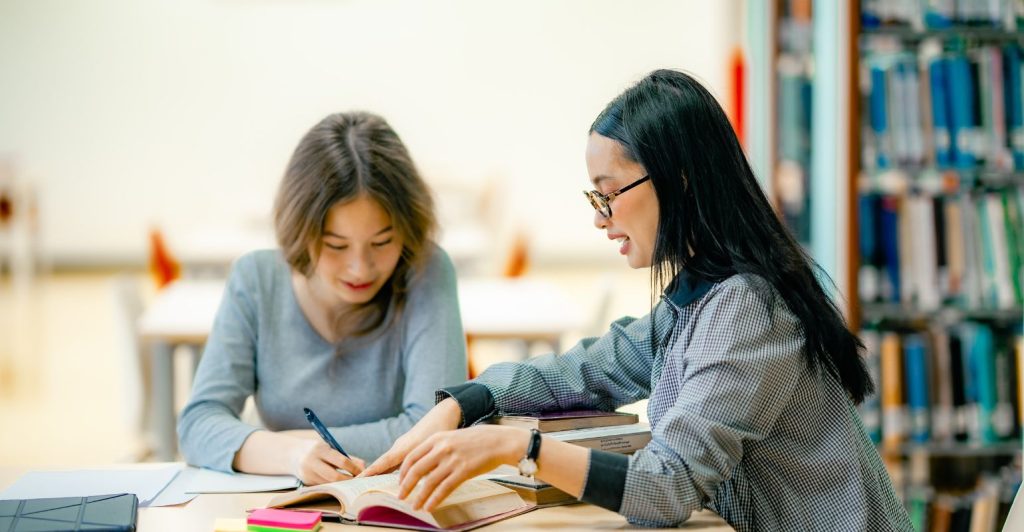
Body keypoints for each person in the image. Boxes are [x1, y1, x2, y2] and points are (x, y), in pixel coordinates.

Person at [361, 70, 913, 531]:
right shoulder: (698, 297)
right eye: (593, 195)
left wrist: (520, 448)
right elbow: (583, 370)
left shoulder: (747, 311)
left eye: (609, 193)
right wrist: (463, 402)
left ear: (678, 181)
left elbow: (666, 489)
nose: (600, 217)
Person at [178, 111, 468, 485]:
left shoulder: (425, 271)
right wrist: (291, 454)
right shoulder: (256, 280)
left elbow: (431, 425)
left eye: (382, 242)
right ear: (300, 230)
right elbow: (199, 424)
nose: (360, 268)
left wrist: (283, 444)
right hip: (287, 507)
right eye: (336, 245)